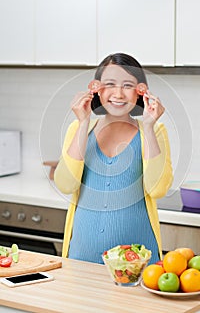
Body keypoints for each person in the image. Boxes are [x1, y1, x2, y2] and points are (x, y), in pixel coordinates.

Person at [54, 53, 173, 264]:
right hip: (81, 259)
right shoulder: (78, 128)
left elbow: (158, 189)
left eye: (127, 85)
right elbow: (65, 184)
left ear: (140, 92)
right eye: (110, 84)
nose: (118, 93)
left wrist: (148, 126)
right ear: (97, 89)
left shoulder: (154, 131)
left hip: (138, 265)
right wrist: (83, 123)